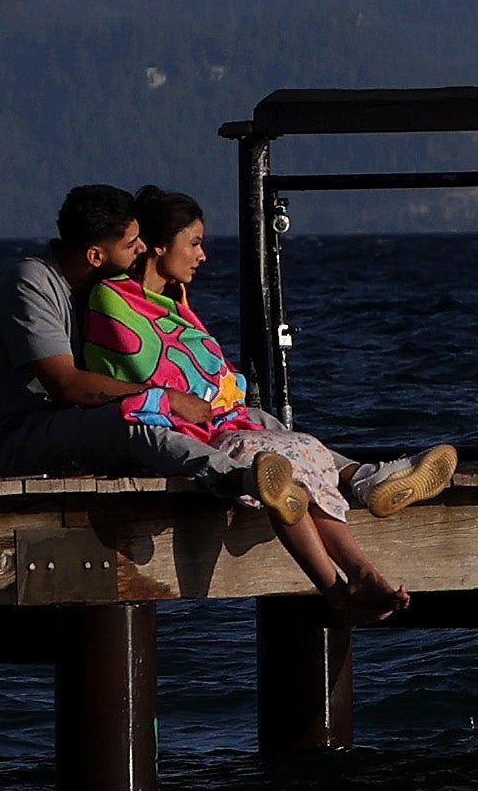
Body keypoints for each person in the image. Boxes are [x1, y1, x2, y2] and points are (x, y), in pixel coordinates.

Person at [78, 184, 455, 621]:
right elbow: (149, 372)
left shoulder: (172, 303)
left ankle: (361, 566)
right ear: (160, 246)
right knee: (274, 457)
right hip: (171, 432)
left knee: (297, 448)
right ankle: (343, 564)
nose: (202, 256)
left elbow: (195, 369)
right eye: (194, 243)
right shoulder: (115, 299)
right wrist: (205, 396)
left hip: (215, 421)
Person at [0, 183, 306, 521]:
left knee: (248, 415)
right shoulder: (32, 282)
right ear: (95, 256)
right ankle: (240, 477)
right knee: (133, 421)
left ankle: (343, 474)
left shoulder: (105, 289)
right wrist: (166, 398)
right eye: (132, 244)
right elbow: (66, 384)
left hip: (79, 421)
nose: (142, 249)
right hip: (25, 436)